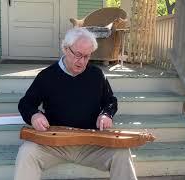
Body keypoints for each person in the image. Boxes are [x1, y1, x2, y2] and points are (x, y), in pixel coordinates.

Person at [14, 27, 137, 180]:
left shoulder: (96, 75)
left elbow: (110, 101)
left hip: (90, 143)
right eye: (78, 55)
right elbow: (26, 103)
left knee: (122, 153)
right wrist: (34, 115)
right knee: (27, 152)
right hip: (54, 144)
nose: (82, 61)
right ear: (66, 49)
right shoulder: (47, 76)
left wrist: (106, 114)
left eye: (87, 56)